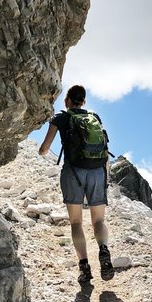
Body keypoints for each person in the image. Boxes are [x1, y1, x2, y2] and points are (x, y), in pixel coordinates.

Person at [38, 85, 114, 283]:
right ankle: (104, 250)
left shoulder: (61, 117)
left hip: (74, 172)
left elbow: (45, 148)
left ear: (67, 100)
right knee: (98, 221)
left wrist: (41, 151)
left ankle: (85, 268)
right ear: (84, 101)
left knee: (77, 222)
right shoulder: (94, 117)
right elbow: (104, 148)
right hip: (97, 171)